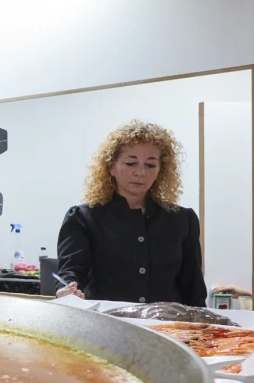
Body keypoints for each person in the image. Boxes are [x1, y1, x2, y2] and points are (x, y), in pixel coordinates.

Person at [55, 120, 205, 306]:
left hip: (167, 326)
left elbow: (194, 289)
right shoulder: (84, 217)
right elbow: (71, 270)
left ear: (161, 170)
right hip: (107, 326)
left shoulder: (182, 219)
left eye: (150, 165)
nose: (140, 172)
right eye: (131, 163)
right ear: (111, 167)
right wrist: (68, 290)